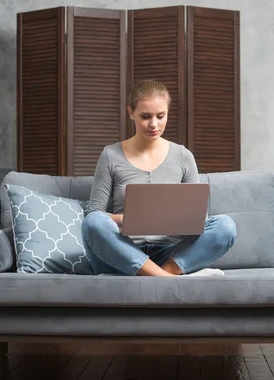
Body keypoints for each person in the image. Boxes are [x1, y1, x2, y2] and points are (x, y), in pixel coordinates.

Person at [82, 80, 237, 277]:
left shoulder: (183, 156)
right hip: (122, 252)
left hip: (171, 254)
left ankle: (160, 275)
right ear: (131, 113)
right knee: (93, 222)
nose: (153, 124)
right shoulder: (110, 155)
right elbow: (95, 214)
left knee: (226, 226)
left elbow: (199, 219)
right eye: (145, 116)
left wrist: (179, 221)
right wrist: (126, 220)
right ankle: (168, 279)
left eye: (160, 116)